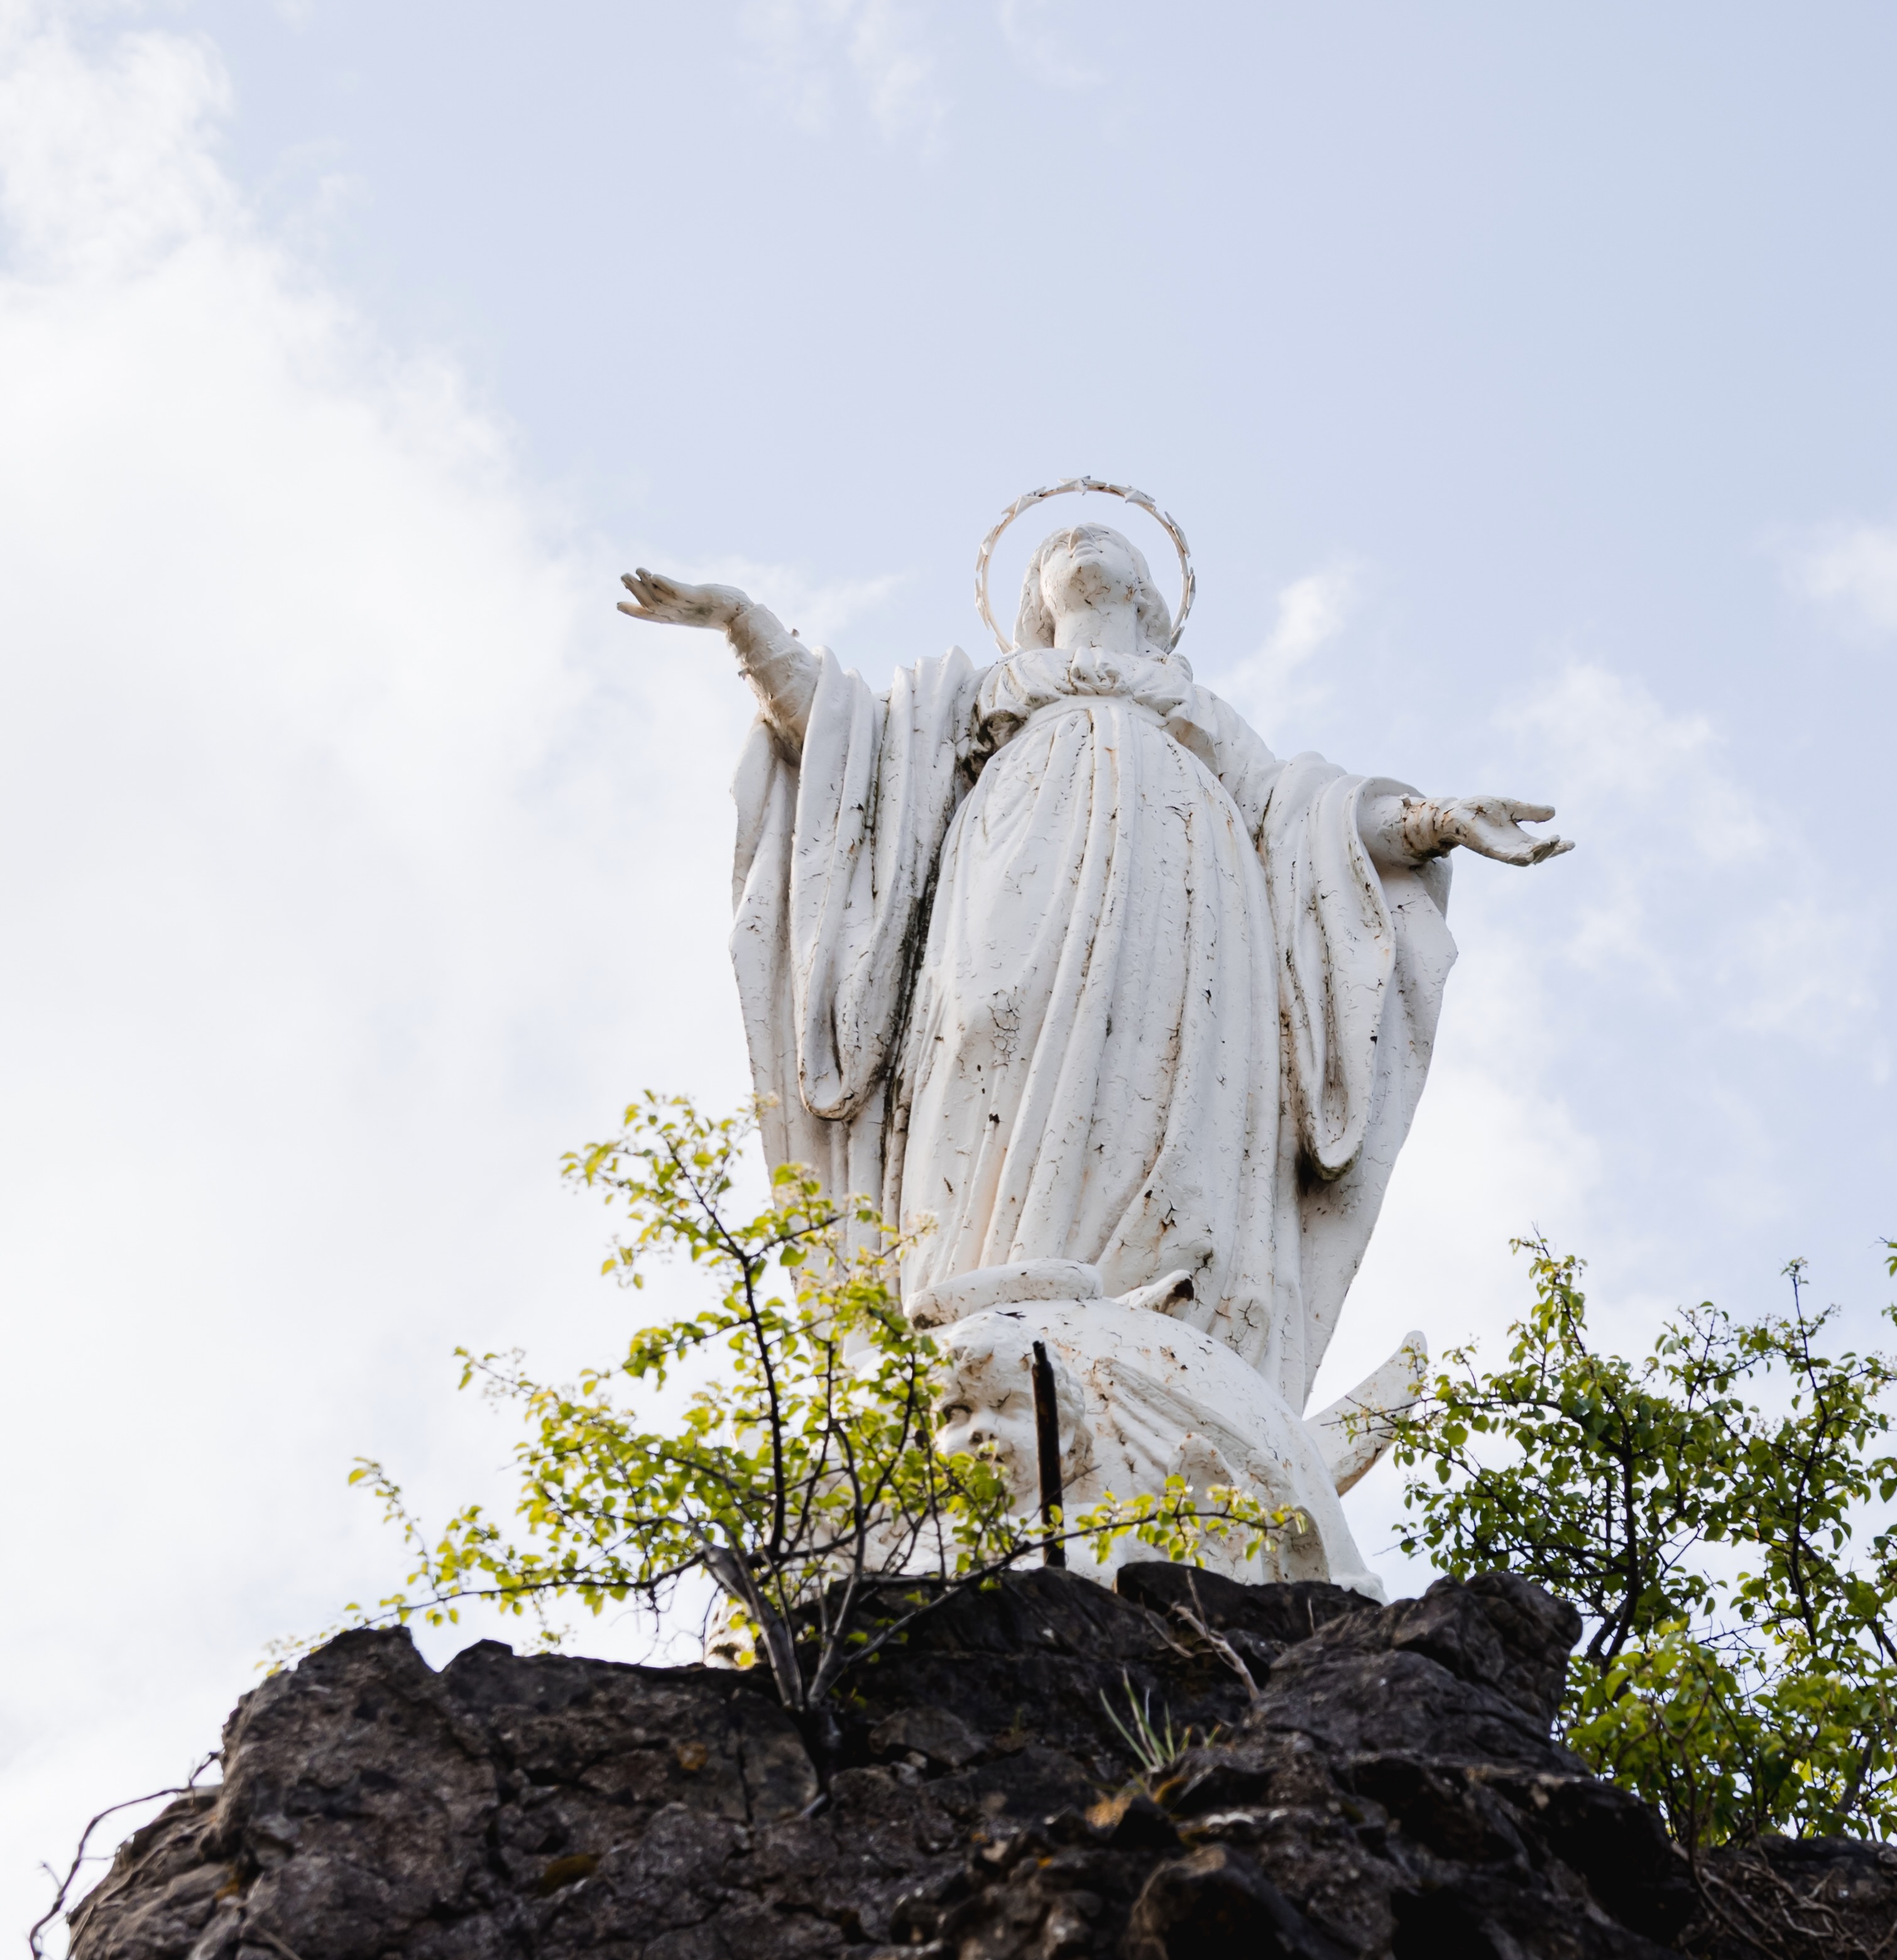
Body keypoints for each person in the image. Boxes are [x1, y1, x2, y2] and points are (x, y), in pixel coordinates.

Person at [619, 508, 1563, 1423]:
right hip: (1015, 870)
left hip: (1193, 900)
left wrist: (1430, 823)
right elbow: (840, 742)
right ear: (1033, 600)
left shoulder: (1201, 716)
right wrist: (743, 626)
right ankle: (982, 1322)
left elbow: (1306, 825)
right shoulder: (973, 695)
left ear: (1152, 602)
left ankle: (1166, 1341)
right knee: (988, 1047)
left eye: (1105, 539)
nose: (1079, 540)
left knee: (1173, 1090)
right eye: (1058, 544)